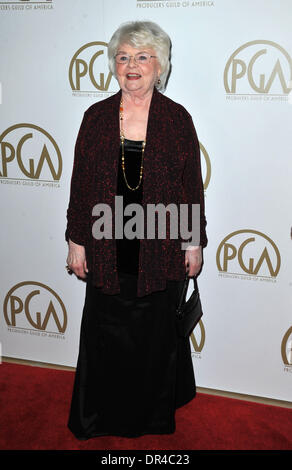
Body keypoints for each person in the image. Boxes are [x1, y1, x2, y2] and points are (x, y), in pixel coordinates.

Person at [65, 20, 207, 439]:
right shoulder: (95, 117)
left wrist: (193, 241)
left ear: (160, 66)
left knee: (153, 339)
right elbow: (80, 184)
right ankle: (97, 418)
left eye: (143, 57)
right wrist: (76, 241)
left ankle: (150, 418)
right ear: (113, 64)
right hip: (106, 246)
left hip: (160, 248)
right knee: (103, 335)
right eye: (123, 56)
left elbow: (190, 187)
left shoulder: (178, 119)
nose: (132, 65)